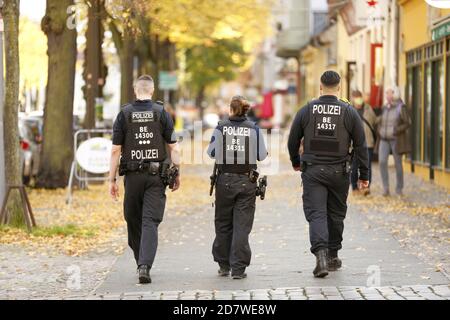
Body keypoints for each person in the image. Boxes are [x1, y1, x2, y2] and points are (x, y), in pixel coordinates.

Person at [287, 71, 369, 278]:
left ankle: (321, 257)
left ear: (320, 87)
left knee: (317, 213)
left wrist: (296, 163)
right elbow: (361, 145)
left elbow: (293, 140)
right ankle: (333, 256)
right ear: (339, 88)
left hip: (313, 171)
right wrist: (364, 175)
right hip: (340, 172)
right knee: (336, 214)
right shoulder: (349, 112)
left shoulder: (306, 110)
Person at [108, 75, 180, 284]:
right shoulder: (161, 113)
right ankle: (143, 262)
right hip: (156, 177)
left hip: (133, 177)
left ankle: (143, 264)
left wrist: (111, 180)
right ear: (152, 89)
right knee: (147, 220)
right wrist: (178, 170)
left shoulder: (124, 114)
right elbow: (173, 146)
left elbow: (115, 150)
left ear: (134, 89)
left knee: (136, 219)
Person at [207, 95, 268, 279]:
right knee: (242, 225)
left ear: (231, 109)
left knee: (223, 223)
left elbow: (211, 153)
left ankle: (224, 265)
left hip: (224, 181)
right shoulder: (254, 129)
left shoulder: (221, 127)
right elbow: (262, 156)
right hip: (246, 182)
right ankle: (239, 268)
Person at [376, 86, 411, 196]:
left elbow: (408, 122)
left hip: (396, 139)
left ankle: (399, 188)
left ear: (395, 94)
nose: (387, 95)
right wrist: (379, 128)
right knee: (381, 162)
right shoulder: (385, 107)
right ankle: (386, 188)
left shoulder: (401, 107)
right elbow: (382, 120)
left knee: (398, 163)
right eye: (386, 93)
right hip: (384, 139)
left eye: (389, 93)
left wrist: (397, 130)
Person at [350, 90, 377, 195]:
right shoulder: (350, 109)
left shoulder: (368, 108)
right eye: (356, 97)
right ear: (352, 98)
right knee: (354, 166)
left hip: (368, 143)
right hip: (354, 144)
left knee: (367, 166)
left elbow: (374, 121)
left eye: (359, 97)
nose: (358, 99)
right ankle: (354, 187)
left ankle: (366, 187)